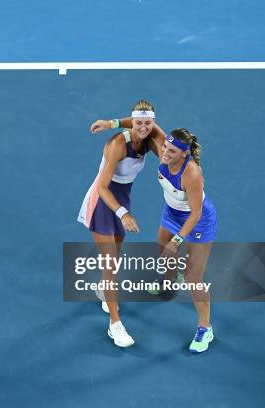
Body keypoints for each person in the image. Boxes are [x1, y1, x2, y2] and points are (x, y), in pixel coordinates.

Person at [78, 100, 164, 347]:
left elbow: (169, 146)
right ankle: (115, 325)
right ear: (132, 122)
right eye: (139, 123)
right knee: (110, 266)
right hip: (104, 201)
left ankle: (104, 288)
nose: (144, 128)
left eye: (148, 123)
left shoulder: (148, 136)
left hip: (122, 198)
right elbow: (103, 187)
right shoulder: (117, 144)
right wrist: (123, 214)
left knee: (114, 257)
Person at [156, 128, 218, 353]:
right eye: (164, 147)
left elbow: (196, 213)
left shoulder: (191, 172)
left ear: (184, 154)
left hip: (198, 221)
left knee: (193, 277)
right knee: (162, 249)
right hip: (172, 212)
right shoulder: (165, 151)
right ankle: (170, 281)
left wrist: (177, 240)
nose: (165, 153)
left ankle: (205, 328)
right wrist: (112, 124)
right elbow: (146, 125)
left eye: (171, 151)